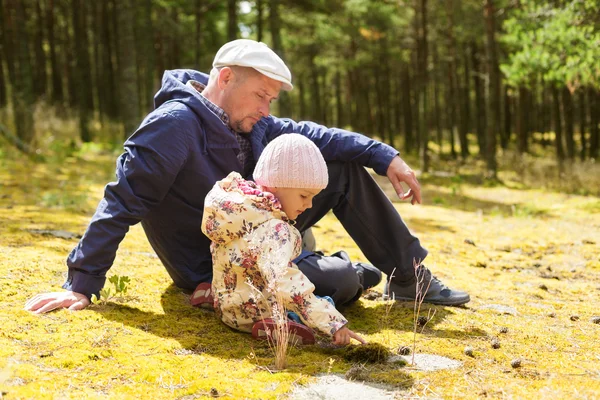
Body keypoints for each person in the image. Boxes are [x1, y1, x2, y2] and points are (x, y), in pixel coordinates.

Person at [25, 39, 469, 315]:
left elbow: (314, 135)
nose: (266, 109)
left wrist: (385, 156)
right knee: (341, 281)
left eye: (271, 99)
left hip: (261, 232)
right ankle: (344, 268)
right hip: (212, 265)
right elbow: (121, 201)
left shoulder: (251, 122)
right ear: (225, 77)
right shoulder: (173, 124)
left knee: (343, 170)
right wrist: (81, 285)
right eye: (261, 95)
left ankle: (410, 278)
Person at [203, 134, 365, 346]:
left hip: (228, 309)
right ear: (276, 184)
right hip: (256, 313)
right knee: (325, 301)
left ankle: (210, 294)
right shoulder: (275, 229)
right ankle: (282, 325)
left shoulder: (237, 209)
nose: (309, 205)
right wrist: (332, 322)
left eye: (313, 198)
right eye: (304, 196)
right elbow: (285, 282)